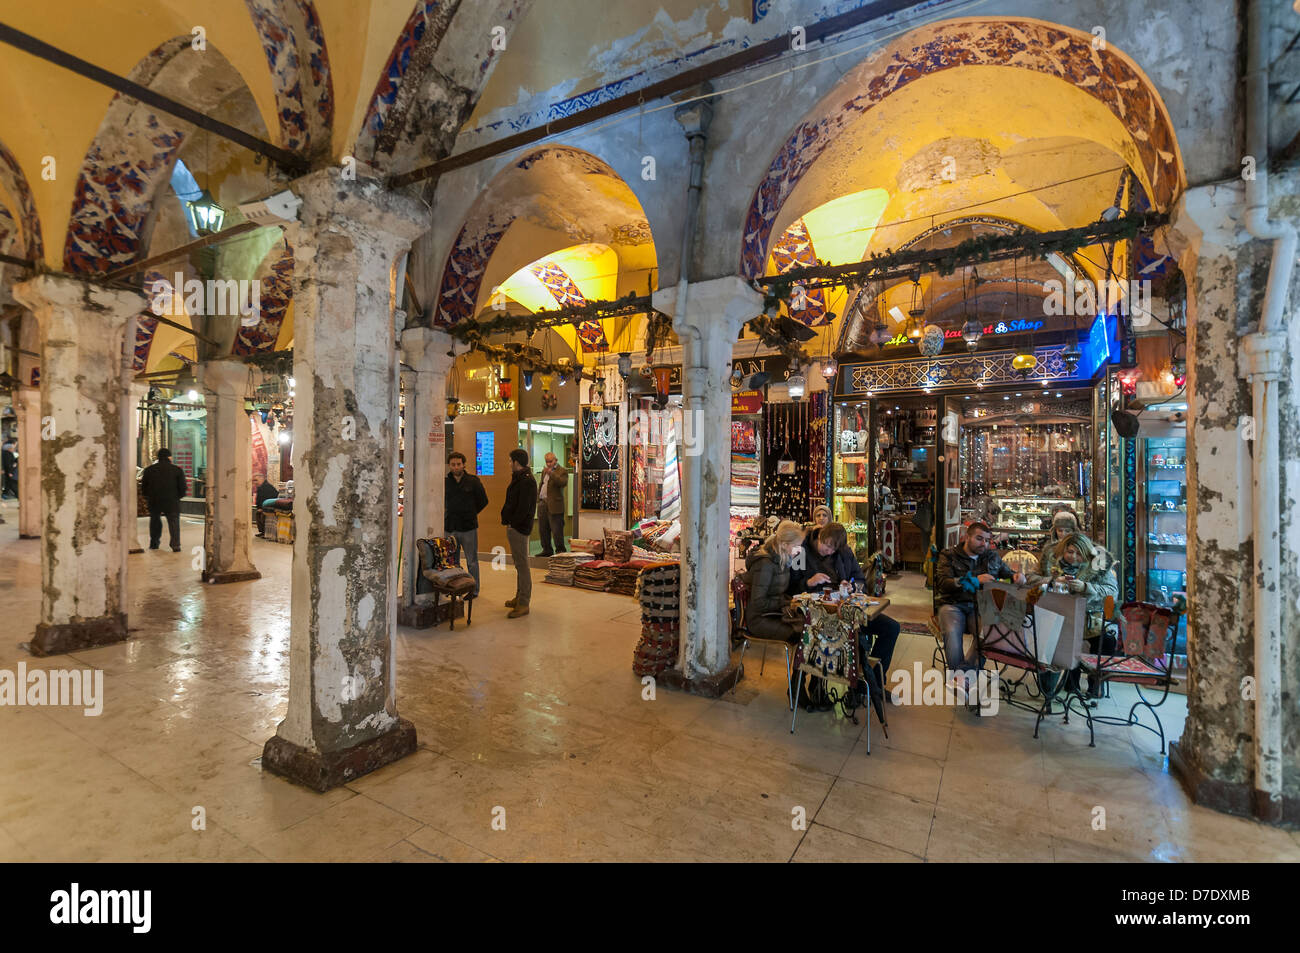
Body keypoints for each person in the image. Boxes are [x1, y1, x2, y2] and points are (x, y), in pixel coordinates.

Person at [789, 522, 902, 702]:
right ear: (819, 537)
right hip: (817, 615)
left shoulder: (844, 552)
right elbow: (791, 586)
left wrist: (851, 587)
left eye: (833, 549)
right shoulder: (801, 551)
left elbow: (859, 580)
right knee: (852, 640)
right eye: (826, 546)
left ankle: (872, 681)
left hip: (846, 610)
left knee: (891, 628)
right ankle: (863, 684)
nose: (828, 551)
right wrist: (809, 582)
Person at [934, 521, 1025, 682]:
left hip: (980, 606)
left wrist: (1016, 576)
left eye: (987, 540)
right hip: (952, 603)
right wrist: (975, 580)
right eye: (979, 538)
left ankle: (963, 677)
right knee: (952, 632)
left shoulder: (991, 556)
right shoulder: (949, 555)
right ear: (967, 537)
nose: (984, 543)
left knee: (989, 634)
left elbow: (1008, 573)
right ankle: (964, 678)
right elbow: (943, 583)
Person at [1046, 532, 1120, 700]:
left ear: (1087, 552)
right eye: (1070, 552)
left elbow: (1112, 592)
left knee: (1106, 640)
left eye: (1079, 553)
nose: (1074, 557)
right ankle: (1069, 681)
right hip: (1063, 617)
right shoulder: (1053, 565)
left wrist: (1086, 587)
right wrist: (1053, 583)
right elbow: (1036, 582)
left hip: (1092, 620)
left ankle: (1096, 683)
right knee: (1059, 633)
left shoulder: (1099, 567)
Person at [744, 519, 810, 705]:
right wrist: (785, 602)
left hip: (773, 613)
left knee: (811, 629)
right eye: (796, 546)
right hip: (760, 620)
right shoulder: (765, 564)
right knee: (804, 636)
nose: (798, 550)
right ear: (784, 544)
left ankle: (804, 686)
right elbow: (758, 603)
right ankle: (797, 691)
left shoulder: (781, 559)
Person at [445, 450, 489, 597]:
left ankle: (473, 590)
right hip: (450, 527)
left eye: (458, 464)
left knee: (472, 561)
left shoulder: (473, 481)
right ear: (449, 466)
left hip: (468, 527)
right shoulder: (445, 482)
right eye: (453, 464)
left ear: (464, 465)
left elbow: (483, 501)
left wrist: (470, 513)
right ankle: (456, 588)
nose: (456, 467)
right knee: (453, 562)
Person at [501, 448, 538, 619]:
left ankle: (524, 603)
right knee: (519, 565)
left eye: (510, 461)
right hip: (516, 526)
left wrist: (513, 523)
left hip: (519, 528)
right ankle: (519, 596)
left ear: (517, 462)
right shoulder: (520, 478)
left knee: (522, 566)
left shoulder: (527, 481)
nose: (509, 464)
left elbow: (524, 508)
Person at [139, 447, 187, 551]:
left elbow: (144, 488)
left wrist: (149, 497)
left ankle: (154, 543)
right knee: (174, 521)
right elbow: (183, 488)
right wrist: (178, 497)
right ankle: (176, 545)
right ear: (169, 457)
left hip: (154, 500)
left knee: (155, 520)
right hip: (172, 501)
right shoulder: (177, 470)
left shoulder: (149, 470)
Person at [536, 451, 568, 557]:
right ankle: (547, 550)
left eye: (550, 461)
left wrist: (552, 474)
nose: (548, 464)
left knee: (556, 530)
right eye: (547, 462)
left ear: (556, 460)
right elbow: (542, 484)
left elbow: (562, 483)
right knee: (543, 529)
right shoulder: (544, 471)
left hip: (555, 505)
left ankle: (560, 551)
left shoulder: (562, 470)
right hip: (542, 503)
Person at [1039, 507, 1081, 573]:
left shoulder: (1081, 549)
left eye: (1067, 531)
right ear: (1055, 531)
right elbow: (1040, 572)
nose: (1063, 534)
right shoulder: (1048, 549)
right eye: (1060, 531)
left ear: (1073, 531)